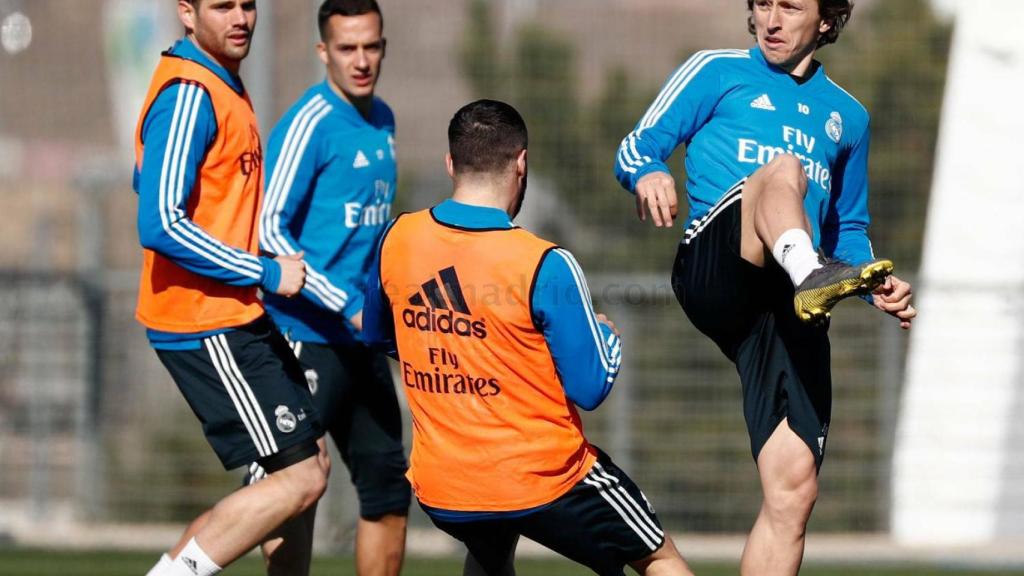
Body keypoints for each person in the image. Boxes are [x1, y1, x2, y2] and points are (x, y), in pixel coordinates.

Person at [614, 1, 916, 574]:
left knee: (793, 492)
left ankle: (810, 279)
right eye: (762, 5)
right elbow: (637, 144)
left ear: (826, 21)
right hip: (717, 263)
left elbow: (848, 229)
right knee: (782, 171)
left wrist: (875, 282)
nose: (770, 20)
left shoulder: (849, 117)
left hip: (788, 305)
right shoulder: (716, 70)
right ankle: (810, 276)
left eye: (790, 6)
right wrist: (650, 170)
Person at [363, 99, 694, 576]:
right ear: (522, 164)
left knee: (490, 550)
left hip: (444, 486)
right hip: (544, 480)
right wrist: (606, 335)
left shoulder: (397, 238)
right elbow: (591, 387)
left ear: (450, 163)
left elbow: (383, 337)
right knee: (659, 557)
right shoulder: (545, 262)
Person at [133, 1, 328, 574]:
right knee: (300, 476)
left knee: (307, 461)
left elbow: (151, 179)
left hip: (232, 312)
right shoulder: (191, 92)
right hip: (203, 320)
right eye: (223, 6)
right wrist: (263, 271)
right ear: (187, 14)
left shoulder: (220, 83)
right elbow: (161, 222)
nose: (240, 17)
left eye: (248, 4)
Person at [254, 0, 409, 574]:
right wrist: (342, 300)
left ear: (384, 47)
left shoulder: (384, 119)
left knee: (389, 492)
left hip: (361, 340)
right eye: (347, 48)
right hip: (304, 335)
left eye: (372, 46)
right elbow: (268, 225)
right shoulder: (308, 123)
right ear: (324, 52)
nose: (361, 60)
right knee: (298, 490)